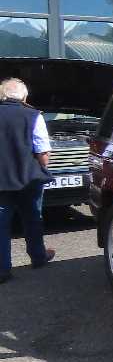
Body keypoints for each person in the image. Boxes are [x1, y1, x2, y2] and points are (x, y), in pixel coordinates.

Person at [0, 78, 56, 283]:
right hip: (28, 179)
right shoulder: (33, 115)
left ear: (2, 96)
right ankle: (38, 257)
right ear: (24, 96)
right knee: (32, 218)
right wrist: (42, 169)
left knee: (1, 225)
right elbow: (42, 150)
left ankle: (2, 270)